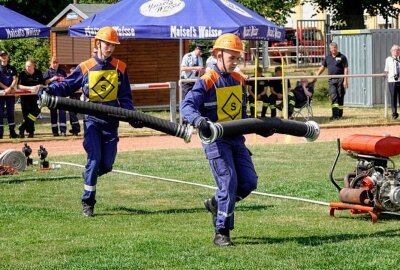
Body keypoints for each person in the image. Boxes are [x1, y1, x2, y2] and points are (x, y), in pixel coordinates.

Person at [181, 33, 273, 246]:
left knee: (249, 182)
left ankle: (216, 203)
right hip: (216, 142)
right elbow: (186, 107)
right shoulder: (206, 81)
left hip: (236, 140)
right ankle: (221, 231)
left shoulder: (239, 80)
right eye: (232, 57)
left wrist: (261, 128)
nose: (236, 62)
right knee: (228, 182)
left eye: (237, 58)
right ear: (218, 55)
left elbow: (241, 116)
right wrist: (199, 120)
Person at [43, 26, 142, 217]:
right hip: (92, 122)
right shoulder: (86, 66)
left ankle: (90, 172)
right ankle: (88, 202)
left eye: (113, 45)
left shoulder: (120, 67)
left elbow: (125, 97)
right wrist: (49, 90)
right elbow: (67, 85)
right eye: (107, 44)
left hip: (111, 123)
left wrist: (132, 116)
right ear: (98, 43)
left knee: (106, 165)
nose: (110, 48)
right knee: (94, 159)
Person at [314, 42, 349, 120]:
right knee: (334, 97)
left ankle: (340, 114)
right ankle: (335, 115)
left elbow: (346, 69)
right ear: (330, 49)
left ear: (337, 48)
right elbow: (322, 67)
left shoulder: (342, 57)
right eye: (332, 48)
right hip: (331, 80)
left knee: (340, 96)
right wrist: (317, 75)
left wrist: (345, 80)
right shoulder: (328, 57)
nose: (334, 49)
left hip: (341, 79)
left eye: (335, 48)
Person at [18, 60, 44, 138]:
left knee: (35, 112)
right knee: (27, 115)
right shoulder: (22, 74)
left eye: (29, 66)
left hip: (35, 97)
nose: (28, 68)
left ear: (33, 66)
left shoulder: (38, 73)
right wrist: (31, 88)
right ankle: (30, 132)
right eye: (26, 66)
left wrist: (39, 86)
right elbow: (19, 86)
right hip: (25, 98)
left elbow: (42, 83)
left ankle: (22, 127)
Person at [44, 56, 67, 136]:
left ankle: (63, 131)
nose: (55, 64)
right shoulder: (48, 72)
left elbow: (66, 81)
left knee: (62, 112)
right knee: (53, 112)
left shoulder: (62, 71)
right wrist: (52, 79)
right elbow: (45, 82)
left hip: (61, 94)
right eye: (53, 63)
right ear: (50, 63)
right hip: (52, 95)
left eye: (56, 62)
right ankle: (55, 131)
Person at [0, 50, 18, 139]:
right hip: (1, 94)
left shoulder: (12, 68)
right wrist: (5, 89)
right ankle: (0, 133)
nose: (3, 57)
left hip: (10, 93)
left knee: (11, 112)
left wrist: (10, 88)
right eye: (2, 55)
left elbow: (15, 79)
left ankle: (12, 132)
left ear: (7, 56)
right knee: (0, 113)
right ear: (0, 57)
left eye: (5, 55)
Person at [384, 44, 400, 120]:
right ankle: (394, 113)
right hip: (392, 81)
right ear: (391, 52)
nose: (396, 51)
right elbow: (386, 70)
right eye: (394, 50)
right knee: (393, 97)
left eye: (398, 50)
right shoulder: (388, 59)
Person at [67, 65, 81, 135]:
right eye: (71, 72)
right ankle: (74, 129)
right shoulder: (70, 79)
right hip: (71, 98)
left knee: (73, 114)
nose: (72, 74)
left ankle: (76, 128)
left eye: (73, 72)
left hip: (77, 98)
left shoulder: (78, 79)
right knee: (71, 114)